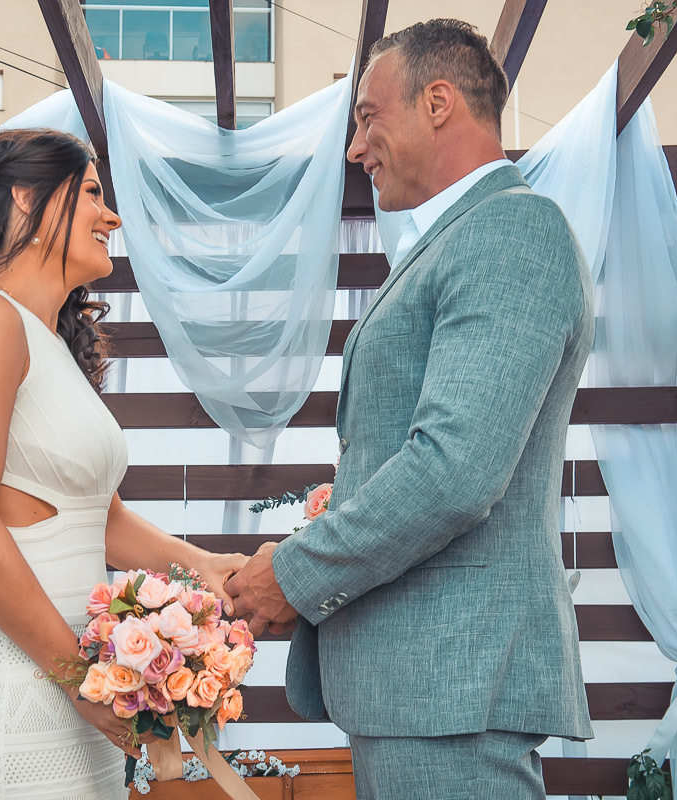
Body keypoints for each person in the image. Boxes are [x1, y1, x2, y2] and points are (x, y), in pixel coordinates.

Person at [226, 19, 595, 799]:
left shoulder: (510, 232)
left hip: (450, 688)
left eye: (366, 116)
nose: (357, 148)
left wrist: (293, 573)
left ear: (437, 102)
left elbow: (454, 469)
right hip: (420, 690)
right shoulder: (459, 238)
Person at [0, 128, 245, 799]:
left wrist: (201, 566)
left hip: (76, 701)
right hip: (4, 703)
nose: (112, 216)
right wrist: (80, 681)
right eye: (92, 192)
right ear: (27, 204)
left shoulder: (51, 345)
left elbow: (97, 519)